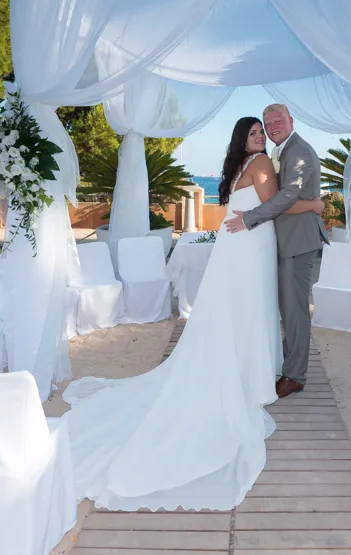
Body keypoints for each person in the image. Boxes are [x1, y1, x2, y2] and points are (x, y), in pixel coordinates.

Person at [60, 116, 323, 511]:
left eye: (262, 131)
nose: (261, 136)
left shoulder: (237, 169)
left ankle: (246, 366)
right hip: (252, 245)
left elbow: (258, 203)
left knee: (239, 310)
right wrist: (314, 203)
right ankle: (250, 375)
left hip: (238, 246)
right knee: (252, 310)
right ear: (244, 139)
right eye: (254, 132)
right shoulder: (263, 164)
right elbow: (275, 204)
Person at [226, 104, 327, 399]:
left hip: (298, 241)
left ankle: (295, 376)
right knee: (286, 308)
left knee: (295, 312)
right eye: (268, 124)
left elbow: (285, 197)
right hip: (287, 240)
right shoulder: (279, 152)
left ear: (291, 121)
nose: (272, 128)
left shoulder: (299, 151)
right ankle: (287, 362)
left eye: (277, 121)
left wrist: (249, 218)